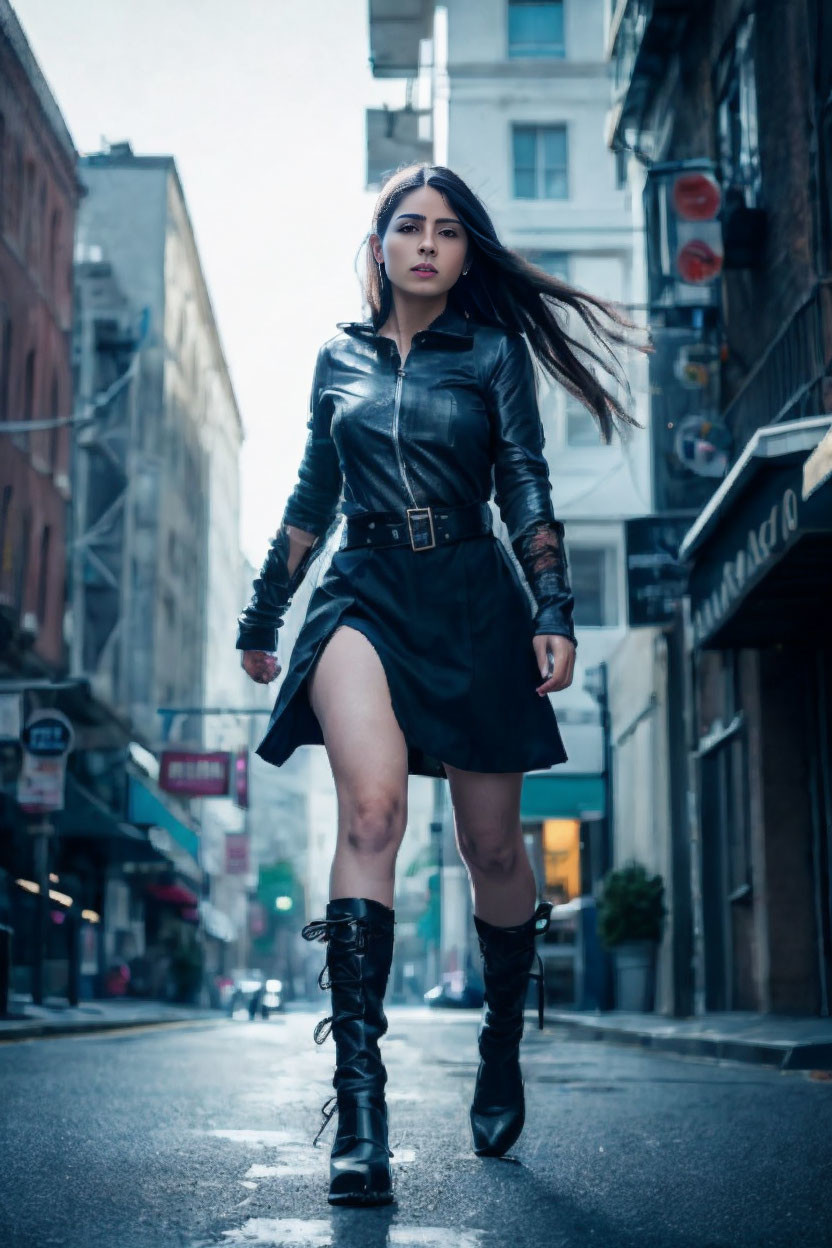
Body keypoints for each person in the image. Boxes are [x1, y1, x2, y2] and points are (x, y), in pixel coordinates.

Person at [237, 163, 640, 1207]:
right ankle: (360, 1109)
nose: (426, 244)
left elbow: (522, 485)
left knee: (491, 846)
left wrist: (553, 610)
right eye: (407, 227)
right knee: (369, 813)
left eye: (448, 231)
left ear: (466, 253)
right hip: (361, 589)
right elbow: (308, 496)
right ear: (378, 245)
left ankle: (501, 1033)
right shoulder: (337, 358)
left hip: (472, 595)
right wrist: (261, 615)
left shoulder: (494, 354)